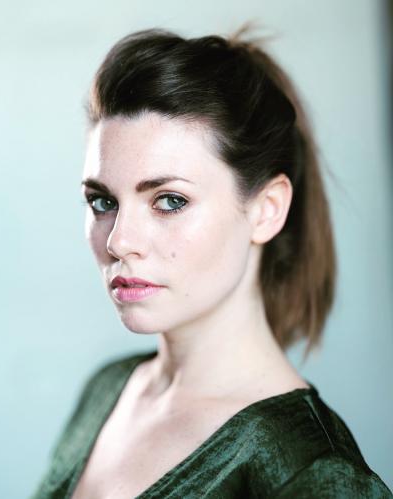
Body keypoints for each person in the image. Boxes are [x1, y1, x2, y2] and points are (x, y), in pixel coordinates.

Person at [30, 26, 392, 498]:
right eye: (102, 201)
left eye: (170, 200)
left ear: (267, 210)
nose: (119, 242)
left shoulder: (311, 471)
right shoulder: (109, 389)